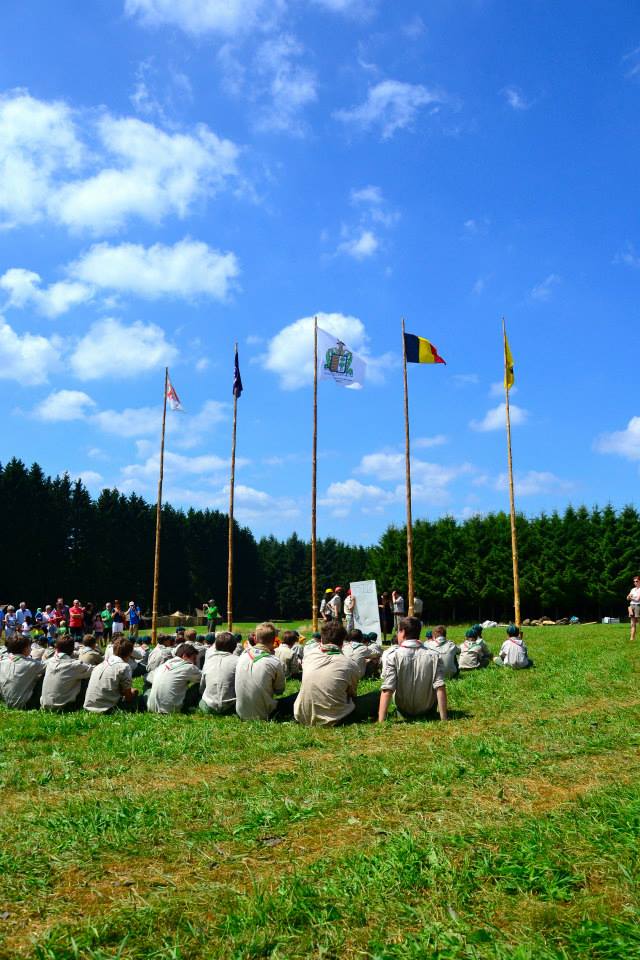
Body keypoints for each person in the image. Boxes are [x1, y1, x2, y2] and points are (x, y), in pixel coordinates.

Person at [294, 621, 379, 726]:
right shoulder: (349, 664)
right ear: (342, 642)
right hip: (334, 719)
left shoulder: (309, 656)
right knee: (378, 696)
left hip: (303, 716)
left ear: (321, 639)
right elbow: (352, 694)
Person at [378, 616, 448, 723]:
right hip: (428, 710)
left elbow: (388, 689)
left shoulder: (393, 656)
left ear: (403, 632)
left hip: (403, 711)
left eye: (398, 631)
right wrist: (444, 718)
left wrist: (381, 721)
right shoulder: (434, 656)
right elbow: (440, 687)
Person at [235, 622, 295, 721]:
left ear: (255, 639)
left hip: (241, 712)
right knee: (297, 696)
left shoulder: (242, 656)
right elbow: (279, 690)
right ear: (274, 640)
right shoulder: (274, 661)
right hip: (265, 714)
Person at [84, 638, 144, 713]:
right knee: (142, 698)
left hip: (88, 706)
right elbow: (128, 697)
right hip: (107, 709)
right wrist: (133, 692)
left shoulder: (99, 665)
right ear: (130, 653)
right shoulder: (124, 667)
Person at [41, 636, 94, 711]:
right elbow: (94, 670)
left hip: (45, 705)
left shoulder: (49, 662)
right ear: (72, 649)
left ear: (57, 648)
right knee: (86, 677)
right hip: (64, 707)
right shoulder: (74, 665)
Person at [147, 642, 201, 713]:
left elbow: (149, 678)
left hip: (151, 707)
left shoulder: (164, 664)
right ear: (184, 656)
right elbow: (205, 677)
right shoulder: (188, 667)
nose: (195, 662)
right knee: (200, 684)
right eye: (194, 658)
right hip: (172, 710)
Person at [0, 634, 46, 709]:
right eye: (29, 647)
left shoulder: (3, 662)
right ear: (25, 649)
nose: (31, 649)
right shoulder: (31, 664)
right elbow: (48, 666)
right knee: (43, 675)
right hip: (23, 704)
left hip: (5, 701)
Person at [199, 631, 238, 715]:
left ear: (216, 645)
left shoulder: (209, 660)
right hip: (231, 706)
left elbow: (202, 686)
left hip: (208, 707)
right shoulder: (238, 661)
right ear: (234, 647)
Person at [627, 575, 640, 642]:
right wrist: (630, 597)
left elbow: (638, 599)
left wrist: (631, 597)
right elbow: (627, 598)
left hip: (638, 606)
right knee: (632, 623)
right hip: (631, 606)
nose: (635, 582)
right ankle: (632, 639)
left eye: (636, 581)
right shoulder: (632, 589)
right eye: (634, 581)